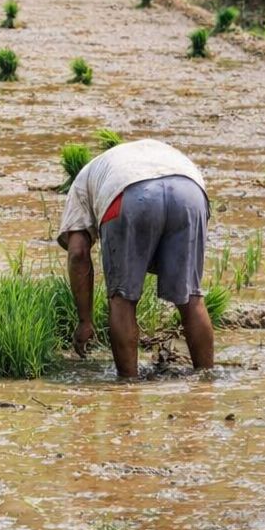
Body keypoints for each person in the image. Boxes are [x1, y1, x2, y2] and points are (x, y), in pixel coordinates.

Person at [58, 138, 214, 377]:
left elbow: (78, 252)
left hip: (127, 195)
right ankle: (206, 384)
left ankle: (128, 389)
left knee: (122, 298)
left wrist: (85, 321)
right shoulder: (139, 154)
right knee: (191, 297)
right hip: (189, 190)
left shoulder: (82, 181)